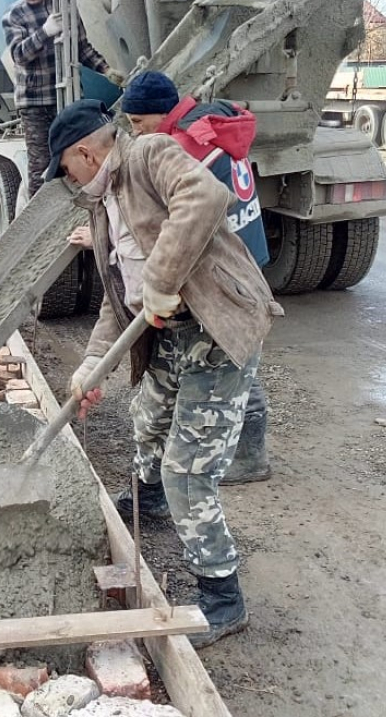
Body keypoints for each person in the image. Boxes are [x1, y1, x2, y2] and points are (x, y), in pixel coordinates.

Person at [47, 98, 283, 647]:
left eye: (65, 167)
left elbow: (205, 196)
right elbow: (117, 299)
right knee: (145, 416)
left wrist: (162, 275)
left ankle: (223, 598)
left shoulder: (148, 154)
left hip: (217, 329)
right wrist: (91, 365)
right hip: (172, 334)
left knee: (187, 469)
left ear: (85, 152)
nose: (67, 178)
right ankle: (147, 499)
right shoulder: (103, 203)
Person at [71, 70, 273, 489]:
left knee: (232, 360)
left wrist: (155, 277)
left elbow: (180, 211)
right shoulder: (205, 131)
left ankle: (248, 455)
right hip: (230, 252)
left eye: (139, 123)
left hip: (219, 269)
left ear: (160, 115)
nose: (135, 132)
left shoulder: (173, 147)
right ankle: (230, 455)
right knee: (228, 365)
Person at [2, 0, 125, 199]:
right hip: (34, 103)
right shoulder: (14, 15)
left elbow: (82, 47)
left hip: (66, 95)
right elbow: (18, 55)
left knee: (75, 157)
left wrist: (106, 70)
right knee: (41, 167)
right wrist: (44, 32)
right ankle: (37, 226)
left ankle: (77, 211)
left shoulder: (65, 7)